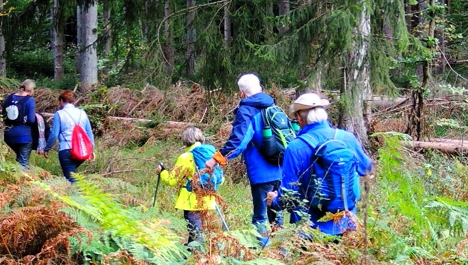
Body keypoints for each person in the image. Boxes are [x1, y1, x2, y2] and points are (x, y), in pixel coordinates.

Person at [265, 93, 373, 237]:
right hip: (347, 224)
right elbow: (367, 168)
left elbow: (288, 195)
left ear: (299, 117)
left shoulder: (296, 147)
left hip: (309, 230)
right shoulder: (347, 138)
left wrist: (274, 201)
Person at [203, 74, 282, 245]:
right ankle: (282, 252)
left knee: (260, 217)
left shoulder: (247, 110)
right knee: (277, 211)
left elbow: (238, 143)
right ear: (260, 88)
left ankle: (264, 257)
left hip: (262, 173)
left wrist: (216, 159)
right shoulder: (273, 107)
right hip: (281, 168)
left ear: (241, 93)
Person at [158, 127, 221, 247]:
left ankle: (198, 257)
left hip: (191, 201)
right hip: (208, 200)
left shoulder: (185, 157)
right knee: (199, 232)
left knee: (196, 233)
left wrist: (162, 172)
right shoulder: (212, 155)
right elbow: (220, 179)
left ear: (185, 140)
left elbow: (172, 180)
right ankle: (193, 255)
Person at [43, 90, 95, 183]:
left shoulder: (59, 114)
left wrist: (46, 149)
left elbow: (54, 134)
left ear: (62, 101)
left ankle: (78, 196)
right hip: (82, 150)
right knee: (73, 175)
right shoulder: (82, 113)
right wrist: (91, 150)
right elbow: (89, 133)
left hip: (67, 150)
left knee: (71, 180)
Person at [1, 79, 37, 171]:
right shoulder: (30, 100)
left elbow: (3, 115)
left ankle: (15, 179)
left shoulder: (8, 98)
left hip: (9, 135)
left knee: (18, 159)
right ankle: (22, 181)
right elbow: (31, 120)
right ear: (30, 89)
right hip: (24, 136)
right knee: (23, 162)